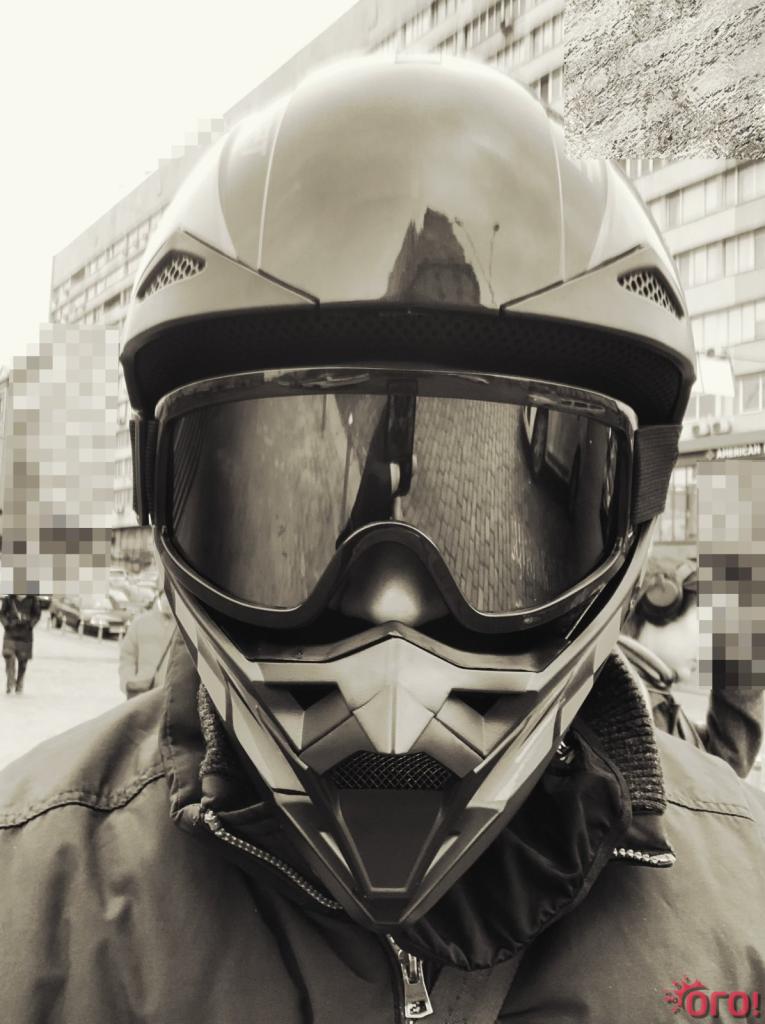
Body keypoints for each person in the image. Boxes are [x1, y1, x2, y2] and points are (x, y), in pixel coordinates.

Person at [1, 59, 764, 1021]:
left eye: (496, 539)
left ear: (629, 510)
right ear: (164, 486)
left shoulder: (744, 912)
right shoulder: (29, 902)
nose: (392, 600)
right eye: (295, 513)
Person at [620, 556, 764, 778]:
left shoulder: (650, 699)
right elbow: (716, 779)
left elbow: (722, 765)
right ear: (660, 604)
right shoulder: (627, 705)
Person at [118, 591, 176, 698]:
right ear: (159, 597)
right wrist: (129, 682)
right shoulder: (140, 623)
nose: (170, 601)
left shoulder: (186, 628)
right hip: (142, 694)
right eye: (167, 596)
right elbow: (127, 656)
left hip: (173, 697)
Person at [0, 594, 41, 694]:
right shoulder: (9, 599)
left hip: (25, 635)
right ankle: (10, 681)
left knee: (23, 661)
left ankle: (19, 682)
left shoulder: (33, 599)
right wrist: (7, 624)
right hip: (10, 633)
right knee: (8, 656)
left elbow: (37, 615)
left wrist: (30, 624)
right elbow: (2, 614)